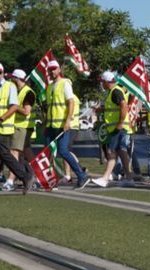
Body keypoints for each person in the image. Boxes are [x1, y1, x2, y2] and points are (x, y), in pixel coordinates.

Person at [46, 59, 87, 188]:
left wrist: (68, 120)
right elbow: (49, 107)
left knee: (63, 151)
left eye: (54, 68)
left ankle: (81, 175)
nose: (52, 71)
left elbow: (71, 102)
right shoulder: (49, 87)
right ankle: (50, 178)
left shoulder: (64, 83)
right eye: (50, 69)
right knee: (48, 153)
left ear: (59, 70)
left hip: (62, 125)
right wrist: (46, 124)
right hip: (51, 126)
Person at [90, 72, 132, 187]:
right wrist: (101, 109)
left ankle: (105, 178)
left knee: (111, 152)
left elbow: (124, 106)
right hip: (117, 127)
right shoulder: (112, 92)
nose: (101, 84)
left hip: (118, 127)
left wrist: (120, 122)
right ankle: (129, 177)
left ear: (106, 82)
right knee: (121, 152)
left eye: (102, 82)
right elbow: (114, 108)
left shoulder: (115, 92)